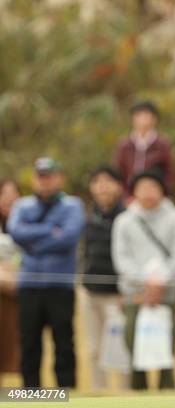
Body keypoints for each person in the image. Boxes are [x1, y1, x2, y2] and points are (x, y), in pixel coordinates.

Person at [7, 157, 85, 388]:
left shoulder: (72, 205)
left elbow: (68, 237)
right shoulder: (23, 206)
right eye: (40, 177)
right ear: (34, 180)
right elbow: (16, 232)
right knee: (29, 343)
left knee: (63, 343)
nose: (45, 182)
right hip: (29, 286)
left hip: (60, 286)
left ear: (60, 178)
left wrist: (32, 241)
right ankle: (31, 395)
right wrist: (52, 231)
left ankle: (66, 394)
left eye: (50, 176)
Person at [112, 170, 175, 390]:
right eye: (142, 187)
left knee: (167, 352)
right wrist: (145, 282)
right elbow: (122, 259)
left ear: (161, 190)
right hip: (134, 296)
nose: (147, 192)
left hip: (167, 295)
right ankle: (138, 395)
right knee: (134, 351)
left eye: (152, 187)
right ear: (134, 191)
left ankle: (168, 395)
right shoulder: (124, 221)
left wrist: (160, 281)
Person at [80, 166, 128, 390]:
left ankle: (126, 395)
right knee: (94, 348)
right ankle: (99, 392)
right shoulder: (89, 217)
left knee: (120, 347)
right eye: (98, 182)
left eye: (108, 181)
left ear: (119, 186)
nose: (103, 187)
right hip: (90, 292)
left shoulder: (127, 217)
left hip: (117, 294)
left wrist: (125, 289)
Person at [115, 100, 175, 193]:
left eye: (146, 115)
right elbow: (119, 172)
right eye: (138, 115)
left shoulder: (162, 144)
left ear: (154, 119)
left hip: (155, 197)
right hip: (129, 197)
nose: (142, 119)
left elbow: (170, 173)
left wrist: (162, 193)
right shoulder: (124, 145)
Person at [0, 180, 21, 386]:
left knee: (19, 352)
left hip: (22, 294)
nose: (8, 199)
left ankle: (30, 398)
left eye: (13, 194)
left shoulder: (28, 221)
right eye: (3, 194)